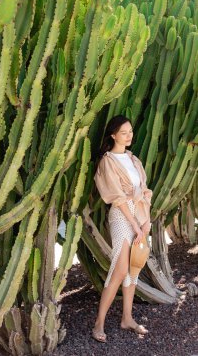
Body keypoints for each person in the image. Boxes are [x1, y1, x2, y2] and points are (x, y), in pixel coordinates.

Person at [92, 115, 152, 343]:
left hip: (139, 215)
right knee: (119, 269)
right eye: (124, 132)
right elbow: (116, 197)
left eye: (131, 131)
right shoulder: (108, 161)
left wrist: (147, 221)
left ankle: (127, 318)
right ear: (113, 135)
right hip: (121, 216)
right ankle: (99, 323)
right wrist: (135, 225)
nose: (129, 136)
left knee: (134, 268)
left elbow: (144, 191)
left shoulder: (133, 159)